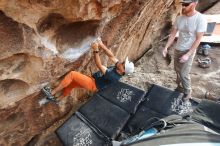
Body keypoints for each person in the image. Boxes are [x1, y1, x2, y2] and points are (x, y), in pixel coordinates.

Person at [42, 38, 134, 101]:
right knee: (72, 84)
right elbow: (111, 55)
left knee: (72, 75)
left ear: (123, 71)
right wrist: (101, 44)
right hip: (93, 81)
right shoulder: (118, 68)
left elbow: (98, 64)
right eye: (123, 62)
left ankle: (52, 93)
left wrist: (96, 49)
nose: (121, 62)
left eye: (123, 64)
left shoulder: (113, 76)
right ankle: (58, 99)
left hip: (93, 84)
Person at [162, 0, 207, 100]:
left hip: (189, 50)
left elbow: (198, 39)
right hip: (178, 48)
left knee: (183, 73)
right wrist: (166, 47)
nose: (183, 7)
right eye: (183, 4)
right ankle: (179, 87)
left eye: (186, 4)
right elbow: (173, 34)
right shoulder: (179, 18)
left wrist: (188, 54)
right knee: (177, 70)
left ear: (194, 4)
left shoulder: (200, 19)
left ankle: (188, 91)